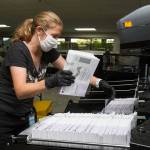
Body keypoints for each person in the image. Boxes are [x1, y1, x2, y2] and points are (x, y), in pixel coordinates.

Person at [0, 11, 115, 146]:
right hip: (5, 118)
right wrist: (51, 81)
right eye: (54, 36)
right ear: (39, 31)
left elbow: (73, 70)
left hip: (25, 115)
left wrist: (99, 83)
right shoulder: (18, 51)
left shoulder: (47, 52)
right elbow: (21, 91)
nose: (56, 41)